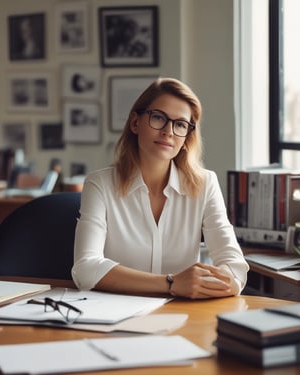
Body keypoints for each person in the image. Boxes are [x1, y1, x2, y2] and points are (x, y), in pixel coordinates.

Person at [72, 77, 249, 299]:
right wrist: (171, 283)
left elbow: (234, 265)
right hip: (114, 313)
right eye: (158, 117)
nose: (169, 132)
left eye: (180, 125)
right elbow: (85, 269)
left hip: (181, 314)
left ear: (187, 137)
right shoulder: (100, 184)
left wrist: (225, 281)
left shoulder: (205, 184)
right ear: (135, 123)